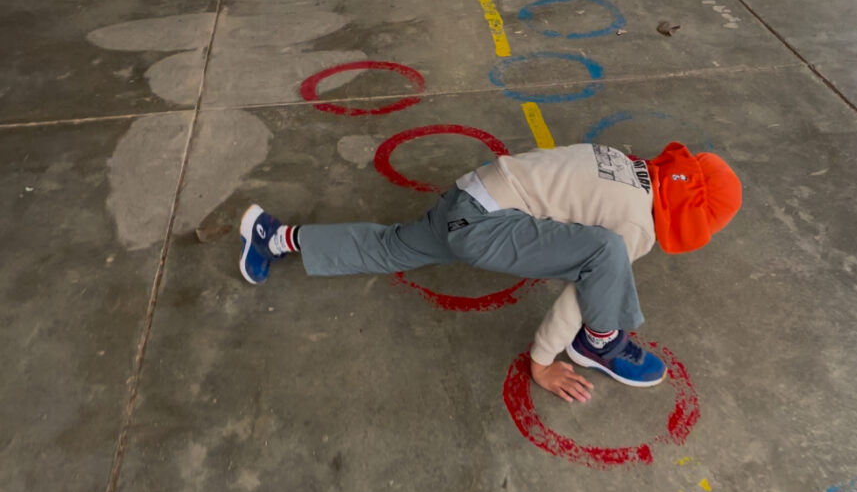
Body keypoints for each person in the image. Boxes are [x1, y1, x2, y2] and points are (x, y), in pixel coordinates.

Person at [238, 142, 741, 402]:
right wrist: (542, 362)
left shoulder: (628, 164)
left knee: (390, 247)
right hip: (484, 224)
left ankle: (272, 236)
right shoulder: (635, 223)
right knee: (607, 255)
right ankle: (600, 342)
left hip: (472, 193)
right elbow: (585, 282)